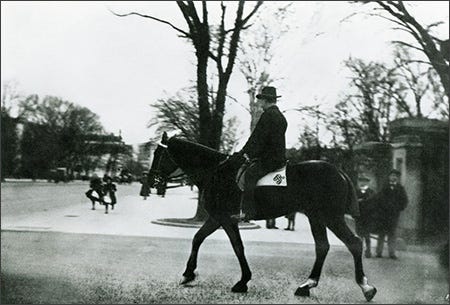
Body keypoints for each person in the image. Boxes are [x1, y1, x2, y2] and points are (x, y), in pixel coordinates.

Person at [231, 86, 288, 221]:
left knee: (250, 175)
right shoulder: (281, 117)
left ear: (265, 100)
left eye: (261, 100)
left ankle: (247, 212)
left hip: (269, 159)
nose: (259, 103)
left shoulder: (268, 115)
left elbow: (257, 139)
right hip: (279, 158)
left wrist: (243, 153)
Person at [375, 169, 408, 259]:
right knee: (381, 234)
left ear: (397, 178)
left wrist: (398, 208)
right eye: (392, 175)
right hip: (383, 215)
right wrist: (382, 208)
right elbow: (378, 199)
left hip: (394, 215)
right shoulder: (384, 187)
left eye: (395, 176)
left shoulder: (400, 188)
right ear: (389, 177)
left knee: (392, 234)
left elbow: (405, 201)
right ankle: (379, 252)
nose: (393, 177)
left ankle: (392, 253)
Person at [355, 176, 376, 258]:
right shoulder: (356, 192)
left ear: (368, 183)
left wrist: (363, 202)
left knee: (367, 235)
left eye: (365, 182)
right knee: (359, 234)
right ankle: (359, 250)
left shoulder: (371, 192)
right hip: (359, 216)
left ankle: (368, 250)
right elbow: (353, 203)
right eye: (361, 181)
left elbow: (374, 203)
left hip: (368, 217)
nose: (363, 183)